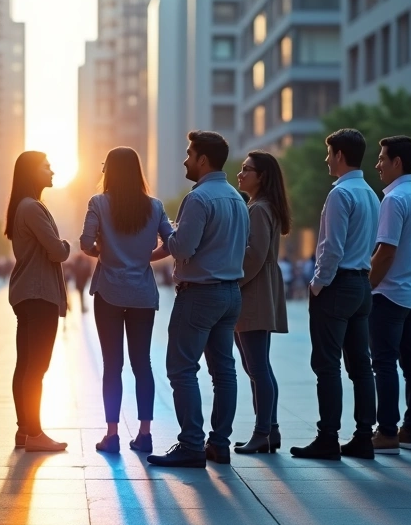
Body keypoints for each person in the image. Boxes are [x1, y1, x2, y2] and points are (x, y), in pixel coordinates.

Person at [147, 131, 248, 469]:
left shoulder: (199, 198)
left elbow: (183, 248)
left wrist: (167, 234)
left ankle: (191, 444)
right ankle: (219, 443)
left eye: (190, 154)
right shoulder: (236, 197)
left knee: (181, 368)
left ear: (203, 159)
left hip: (200, 294)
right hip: (231, 293)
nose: (186, 160)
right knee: (224, 371)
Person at [289, 129, 379, 462]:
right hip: (361, 285)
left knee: (327, 365)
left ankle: (328, 437)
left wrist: (317, 283)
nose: (326, 159)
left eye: (329, 153)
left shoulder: (341, 194)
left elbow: (331, 247)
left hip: (338, 285)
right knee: (361, 366)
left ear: (340, 155)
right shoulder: (371, 194)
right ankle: (363, 437)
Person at [80, 147, 172, 454]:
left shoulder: (98, 203)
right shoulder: (155, 206)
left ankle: (112, 434)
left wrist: (105, 253)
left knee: (112, 365)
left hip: (108, 290)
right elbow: (171, 243)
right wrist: (146, 256)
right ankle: (145, 433)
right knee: (142, 363)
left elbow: (84, 243)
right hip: (142, 293)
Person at [367, 136, 411, 455]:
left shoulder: (393, 200)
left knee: (383, 363)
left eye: (382, 158)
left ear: (397, 162)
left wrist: (366, 287)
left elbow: (385, 252)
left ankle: (388, 431)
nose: (377, 164)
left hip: (389, 293)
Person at [5, 151, 71, 453]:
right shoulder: (32, 207)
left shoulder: (26, 205)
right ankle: (35, 433)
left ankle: (25, 431)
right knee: (37, 367)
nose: (52, 170)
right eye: (46, 166)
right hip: (38, 293)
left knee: (26, 364)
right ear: (33, 172)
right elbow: (57, 251)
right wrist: (67, 244)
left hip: (29, 293)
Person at [232, 151, 291, 454]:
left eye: (246, 170)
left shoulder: (257, 209)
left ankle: (263, 431)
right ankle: (270, 430)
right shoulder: (261, 207)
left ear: (262, 176)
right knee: (258, 365)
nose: (240, 174)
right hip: (258, 289)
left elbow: (253, 256)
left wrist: (230, 279)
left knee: (257, 367)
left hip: (252, 292)